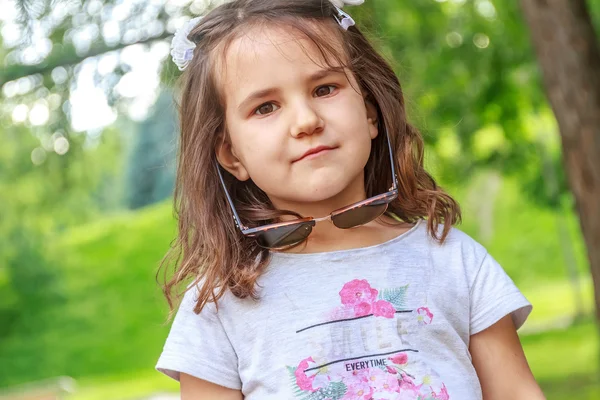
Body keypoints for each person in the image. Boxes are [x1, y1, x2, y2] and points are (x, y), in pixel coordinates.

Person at [156, 0, 546, 399]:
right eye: (266, 107)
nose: (306, 120)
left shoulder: (456, 262)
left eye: (325, 88)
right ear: (232, 154)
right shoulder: (219, 304)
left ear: (370, 114)